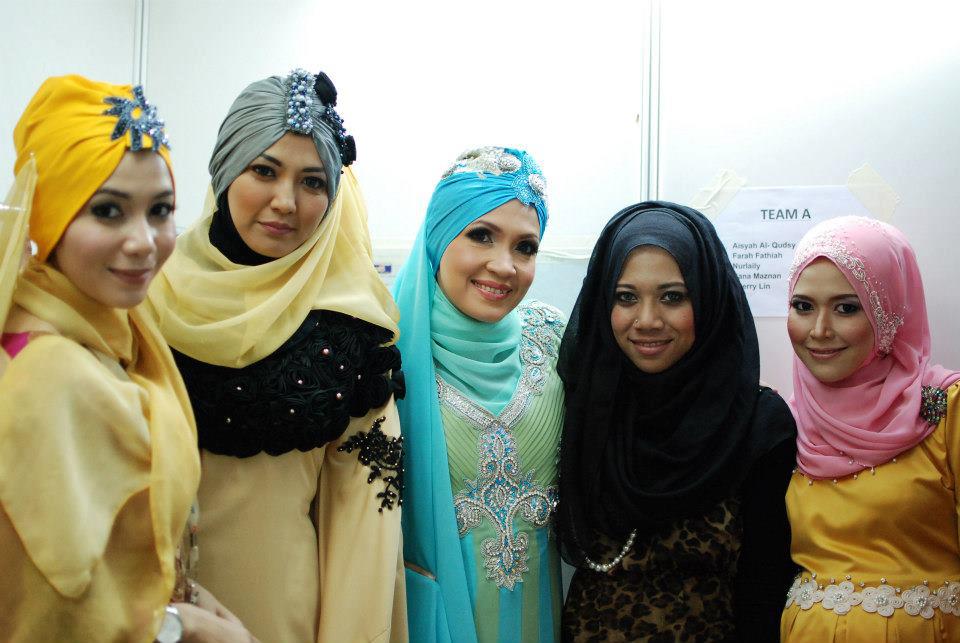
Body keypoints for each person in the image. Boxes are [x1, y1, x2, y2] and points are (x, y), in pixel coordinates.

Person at [146, 69, 406, 643]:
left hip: (277, 626)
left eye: (312, 182)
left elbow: (364, 546)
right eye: (264, 170)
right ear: (225, 169)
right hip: (136, 616)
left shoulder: (350, 340)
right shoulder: (142, 298)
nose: (285, 202)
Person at [0, 75, 257, 642]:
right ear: (49, 217)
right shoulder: (50, 372)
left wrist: (190, 601)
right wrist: (184, 628)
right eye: (109, 211)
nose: (144, 241)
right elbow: (50, 609)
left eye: (160, 210)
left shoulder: (115, 335)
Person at [557, 201, 797, 642]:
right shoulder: (585, 408)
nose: (647, 321)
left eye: (672, 297)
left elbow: (765, 592)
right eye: (626, 297)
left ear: (707, 298)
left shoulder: (756, 425)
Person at [392, 147, 564, 643]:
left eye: (525, 247)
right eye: (481, 235)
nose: (504, 265)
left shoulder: (554, 339)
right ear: (439, 235)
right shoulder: (382, 350)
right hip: (428, 622)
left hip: (541, 621)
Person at [780, 216, 960, 640]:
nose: (819, 331)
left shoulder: (945, 409)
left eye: (847, 307)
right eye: (803, 306)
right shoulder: (786, 421)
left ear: (888, 312)